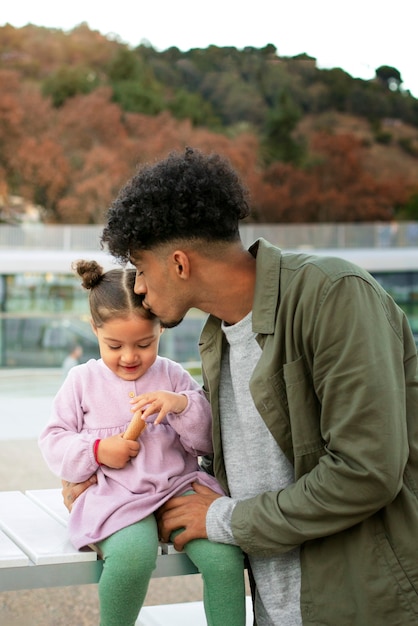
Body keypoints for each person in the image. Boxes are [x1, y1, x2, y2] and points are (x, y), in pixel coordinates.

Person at [65, 148, 418, 625]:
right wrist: (100, 478)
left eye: (140, 268)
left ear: (179, 263)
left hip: (360, 605)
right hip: (276, 607)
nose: (140, 288)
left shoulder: (334, 295)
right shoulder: (218, 338)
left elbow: (366, 471)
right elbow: (240, 461)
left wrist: (223, 519)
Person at [39, 260, 246, 626]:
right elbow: (54, 443)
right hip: (115, 496)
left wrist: (181, 405)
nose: (130, 357)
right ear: (94, 330)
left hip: (178, 489)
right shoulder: (82, 381)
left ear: (160, 330)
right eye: (114, 345)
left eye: (144, 343)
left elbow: (206, 442)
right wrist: (98, 451)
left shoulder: (172, 375)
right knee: (133, 556)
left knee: (224, 558)